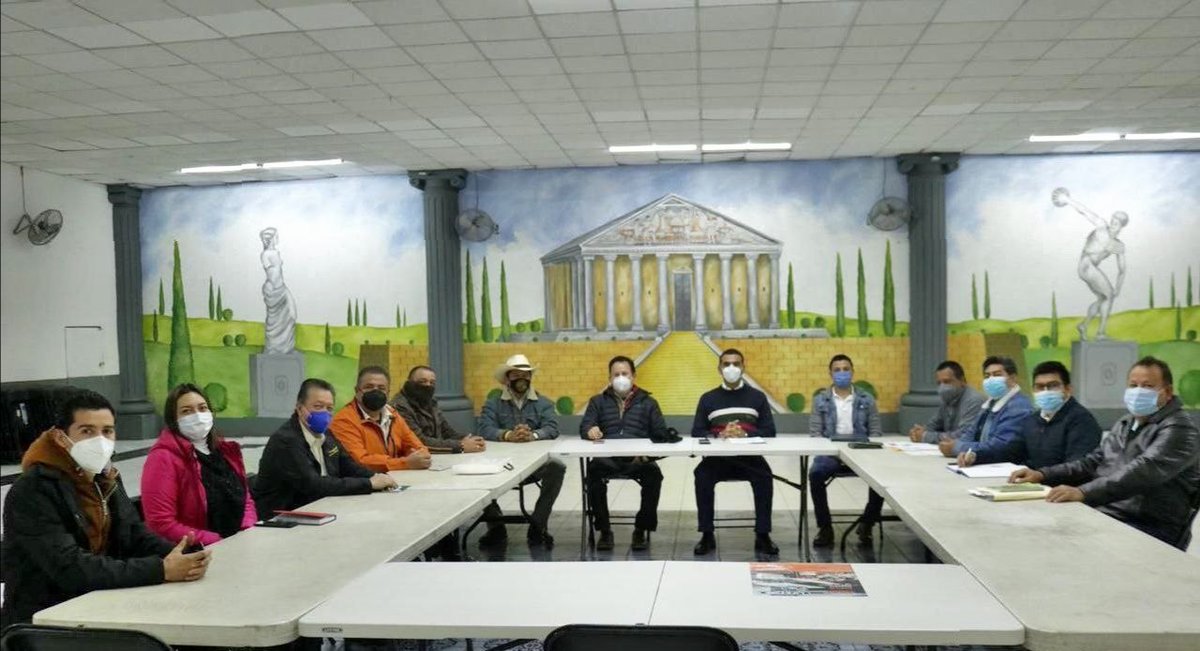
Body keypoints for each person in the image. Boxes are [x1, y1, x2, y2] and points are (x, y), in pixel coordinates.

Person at [1, 390, 210, 627]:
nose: (99, 440)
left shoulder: (106, 477)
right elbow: (70, 568)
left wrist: (182, 554)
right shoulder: (34, 490)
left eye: (107, 431)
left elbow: (133, 535)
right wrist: (160, 569)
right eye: (87, 431)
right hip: (44, 622)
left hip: (99, 603)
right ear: (61, 437)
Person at [1011, 357, 1200, 549]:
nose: (1138, 391)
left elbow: (1142, 471)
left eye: (1147, 386)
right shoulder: (1126, 422)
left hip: (1147, 525)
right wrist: (1042, 474)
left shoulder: (1179, 429)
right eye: (1133, 385)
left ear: (1167, 392)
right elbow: (1093, 461)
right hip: (1109, 512)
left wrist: (1083, 492)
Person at [254, 378, 397, 520]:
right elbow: (314, 485)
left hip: (322, 509)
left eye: (329, 408)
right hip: (282, 519)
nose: (324, 413)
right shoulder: (286, 441)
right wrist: (369, 484)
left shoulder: (326, 434)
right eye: (318, 406)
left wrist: (377, 477)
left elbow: (349, 466)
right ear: (299, 408)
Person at [140, 383, 257, 545]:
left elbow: (245, 499)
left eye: (202, 408)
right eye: (186, 411)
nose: (197, 416)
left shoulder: (225, 451)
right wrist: (219, 542)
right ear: (173, 419)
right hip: (197, 551)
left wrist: (247, 530)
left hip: (238, 544)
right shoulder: (162, 458)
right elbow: (161, 523)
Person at [691, 348, 778, 556]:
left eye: (736, 364)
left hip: (750, 459)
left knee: (765, 476)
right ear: (719, 369)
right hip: (717, 459)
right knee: (701, 475)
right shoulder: (708, 398)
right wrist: (720, 434)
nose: (731, 368)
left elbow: (770, 431)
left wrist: (744, 434)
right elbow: (697, 431)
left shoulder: (757, 397)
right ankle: (707, 534)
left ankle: (763, 534)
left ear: (743, 368)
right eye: (726, 364)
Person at [580, 355, 667, 551]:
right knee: (593, 473)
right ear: (609, 378)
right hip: (607, 460)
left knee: (654, 475)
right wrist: (590, 430)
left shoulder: (649, 403)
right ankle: (604, 530)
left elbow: (661, 434)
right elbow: (585, 426)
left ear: (633, 376)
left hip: (639, 460)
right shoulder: (597, 401)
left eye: (625, 374)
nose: (620, 378)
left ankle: (641, 529)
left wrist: (646, 456)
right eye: (616, 374)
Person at [478, 354, 566, 548]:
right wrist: (507, 435)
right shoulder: (493, 404)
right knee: (475, 472)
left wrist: (533, 435)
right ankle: (495, 526)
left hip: (534, 464)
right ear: (507, 378)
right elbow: (484, 428)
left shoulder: (544, 403)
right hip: (500, 465)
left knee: (557, 467)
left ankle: (538, 524)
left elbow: (552, 428)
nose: (522, 378)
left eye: (526, 374)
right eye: (516, 374)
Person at [958, 361, 1101, 469]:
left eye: (1052, 385)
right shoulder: (1034, 419)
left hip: (1066, 492)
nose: (1045, 391)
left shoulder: (1082, 420)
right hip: (1035, 485)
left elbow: (1077, 467)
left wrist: (1040, 475)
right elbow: (1012, 451)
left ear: (1068, 389)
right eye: (1040, 387)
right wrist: (976, 456)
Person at [808, 354, 886, 547]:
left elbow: (875, 431)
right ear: (830, 373)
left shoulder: (866, 399)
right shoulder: (820, 400)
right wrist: (830, 449)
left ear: (852, 372)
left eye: (846, 369)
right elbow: (815, 434)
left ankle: (867, 522)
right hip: (831, 453)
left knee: (881, 476)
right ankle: (825, 528)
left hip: (861, 450)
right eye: (837, 370)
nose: (842, 373)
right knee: (815, 474)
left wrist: (868, 449)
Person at [329, 366, 431, 472]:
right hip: (363, 480)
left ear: (388, 393)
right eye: (369, 387)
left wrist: (419, 455)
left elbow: (417, 446)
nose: (375, 391)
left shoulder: (392, 415)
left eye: (381, 388)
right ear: (356, 390)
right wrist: (406, 463)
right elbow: (359, 461)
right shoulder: (344, 420)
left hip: (394, 476)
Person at [940, 356, 1033, 461]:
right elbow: (971, 433)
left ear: (1013, 378)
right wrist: (956, 444)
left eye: (997, 375)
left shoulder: (1019, 406)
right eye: (987, 376)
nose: (991, 380)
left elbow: (1000, 446)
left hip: (1009, 466)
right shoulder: (990, 403)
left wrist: (957, 447)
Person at [392, 365, 487, 455]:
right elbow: (418, 441)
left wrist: (469, 439)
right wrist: (460, 446)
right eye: (422, 381)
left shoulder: (431, 402)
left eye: (432, 383)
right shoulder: (400, 406)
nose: (428, 385)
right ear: (409, 382)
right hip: (412, 459)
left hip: (436, 457)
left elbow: (447, 431)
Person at [908, 360, 985, 444]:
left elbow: (964, 435)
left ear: (962, 380)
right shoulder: (948, 398)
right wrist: (919, 431)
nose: (942, 387)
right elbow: (934, 425)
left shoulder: (974, 400)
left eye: (947, 382)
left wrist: (925, 436)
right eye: (939, 383)